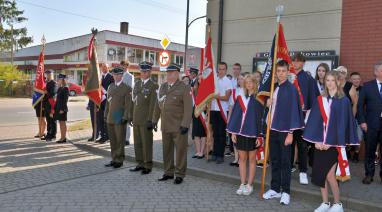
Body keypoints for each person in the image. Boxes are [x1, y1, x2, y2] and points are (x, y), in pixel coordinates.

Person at [303, 71, 359, 212]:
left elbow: (342, 126)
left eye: (332, 80)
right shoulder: (320, 99)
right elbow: (314, 122)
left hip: (334, 144)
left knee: (330, 175)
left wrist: (330, 142)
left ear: (338, 82)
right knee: (320, 174)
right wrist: (316, 141)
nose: (329, 83)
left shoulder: (344, 101)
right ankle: (325, 203)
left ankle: (338, 204)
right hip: (320, 144)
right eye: (327, 80)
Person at [262, 60, 304, 205]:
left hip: (285, 131)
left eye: (283, 71)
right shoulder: (273, 88)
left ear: (288, 72)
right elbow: (270, 109)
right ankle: (275, 188)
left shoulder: (291, 89)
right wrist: (268, 104)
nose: (280, 74)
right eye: (278, 71)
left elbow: (293, 111)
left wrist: (291, 133)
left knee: (286, 162)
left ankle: (286, 191)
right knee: (274, 160)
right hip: (272, 129)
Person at [153, 63, 193, 185]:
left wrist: (185, 124)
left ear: (177, 74)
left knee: (180, 151)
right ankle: (168, 172)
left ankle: (180, 174)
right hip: (165, 125)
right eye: (168, 73)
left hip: (178, 126)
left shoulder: (184, 87)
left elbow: (188, 108)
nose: (169, 75)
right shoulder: (163, 87)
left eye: (171, 73)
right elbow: (157, 105)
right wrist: (154, 120)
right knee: (167, 150)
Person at [227, 74, 264, 196]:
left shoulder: (259, 99)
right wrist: (233, 132)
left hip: (253, 133)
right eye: (247, 82)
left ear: (255, 83)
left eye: (251, 82)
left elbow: (261, 119)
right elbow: (235, 117)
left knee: (252, 160)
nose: (249, 84)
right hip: (241, 133)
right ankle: (242, 183)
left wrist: (259, 135)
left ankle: (250, 184)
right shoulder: (240, 98)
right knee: (242, 159)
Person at [291, 53, 320, 185]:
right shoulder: (288, 77)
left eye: (298, 61)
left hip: (303, 117)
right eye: (294, 61)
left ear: (303, 63)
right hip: (289, 116)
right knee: (288, 144)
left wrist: (311, 118)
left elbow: (315, 100)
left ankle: (303, 171)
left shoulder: (309, 79)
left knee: (302, 146)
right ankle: (289, 167)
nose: (295, 63)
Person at [130, 62, 158, 175]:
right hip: (136, 118)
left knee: (146, 143)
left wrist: (151, 120)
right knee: (137, 143)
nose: (143, 73)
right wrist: (131, 116)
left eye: (145, 71)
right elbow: (134, 102)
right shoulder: (137, 84)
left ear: (150, 72)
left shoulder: (153, 85)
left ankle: (147, 165)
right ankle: (140, 163)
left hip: (146, 120)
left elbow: (153, 105)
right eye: (142, 71)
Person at [357, 62, 382, 185]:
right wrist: (362, 121)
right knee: (369, 151)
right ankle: (369, 175)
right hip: (371, 124)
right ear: (376, 72)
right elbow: (360, 106)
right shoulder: (367, 86)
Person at [104, 67, 133, 169]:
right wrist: (105, 114)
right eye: (114, 75)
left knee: (119, 139)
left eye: (118, 75)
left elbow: (128, 105)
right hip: (110, 116)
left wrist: (125, 117)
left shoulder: (127, 88)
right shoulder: (110, 86)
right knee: (112, 140)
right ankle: (114, 158)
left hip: (119, 115)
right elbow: (108, 103)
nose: (116, 76)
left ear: (122, 75)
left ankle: (119, 160)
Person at [209, 62, 233, 164]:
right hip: (214, 109)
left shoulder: (228, 81)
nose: (221, 71)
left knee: (221, 134)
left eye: (223, 69)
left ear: (226, 70)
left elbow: (227, 97)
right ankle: (214, 153)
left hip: (223, 111)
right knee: (215, 133)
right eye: (219, 69)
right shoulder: (215, 80)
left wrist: (216, 96)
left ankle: (220, 155)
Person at [227, 73, 246, 166]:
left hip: (244, 118)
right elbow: (231, 106)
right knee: (234, 138)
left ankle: (241, 159)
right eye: (238, 79)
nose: (240, 80)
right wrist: (229, 119)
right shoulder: (234, 91)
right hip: (235, 118)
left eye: (242, 79)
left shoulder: (248, 92)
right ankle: (236, 158)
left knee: (241, 138)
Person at [190, 68, 207, 159]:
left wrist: (206, 112)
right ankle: (198, 151)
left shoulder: (206, 90)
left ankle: (202, 152)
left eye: (202, 79)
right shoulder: (194, 89)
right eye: (199, 79)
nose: (200, 80)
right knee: (196, 132)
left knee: (203, 133)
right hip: (196, 111)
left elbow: (208, 103)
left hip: (203, 112)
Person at [95, 63, 114, 143]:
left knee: (106, 119)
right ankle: (102, 135)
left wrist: (105, 92)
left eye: (105, 67)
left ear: (108, 68)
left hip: (107, 101)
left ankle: (107, 136)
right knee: (100, 119)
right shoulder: (100, 77)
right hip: (100, 102)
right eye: (102, 67)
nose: (103, 68)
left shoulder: (111, 76)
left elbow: (112, 88)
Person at [349, 72, 363, 162]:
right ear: (350, 80)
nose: (356, 80)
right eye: (354, 79)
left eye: (357, 78)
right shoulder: (346, 89)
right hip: (348, 116)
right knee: (348, 136)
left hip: (359, 117)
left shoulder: (364, 90)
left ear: (360, 79)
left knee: (358, 137)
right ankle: (348, 152)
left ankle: (356, 154)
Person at [121, 60, 135, 146]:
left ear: (127, 66)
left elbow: (130, 88)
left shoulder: (130, 76)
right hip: (119, 101)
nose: (122, 67)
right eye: (121, 66)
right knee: (119, 119)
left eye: (124, 66)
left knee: (126, 121)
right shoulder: (118, 75)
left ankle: (127, 139)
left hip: (127, 101)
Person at [54, 74, 69, 143]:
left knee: (63, 123)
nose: (58, 81)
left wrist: (62, 109)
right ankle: (62, 137)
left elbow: (65, 100)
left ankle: (63, 138)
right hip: (58, 108)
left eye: (59, 79)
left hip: (62, 109)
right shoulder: (60, 88)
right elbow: (57, 100)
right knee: (60, 123)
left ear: (63, 80)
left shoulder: (66, 88)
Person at [44, 70, 57, 142]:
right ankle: (49, 134)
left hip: (52, 104)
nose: (48, 75)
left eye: (49, 74)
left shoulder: (54, 83)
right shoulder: (46, 83)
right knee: (48, 120)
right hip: (46, 104)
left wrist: (47, 92)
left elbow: (53, 94)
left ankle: (53, 135)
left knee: (53, 121)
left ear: (52, 75)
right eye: (47, 74)